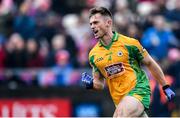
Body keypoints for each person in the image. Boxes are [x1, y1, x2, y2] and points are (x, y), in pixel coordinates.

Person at [81, 6, 175, 117]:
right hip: (119, 100)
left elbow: (149, 63)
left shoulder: (129, 43)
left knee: (120, 115)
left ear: (108, 23)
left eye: (96, 22)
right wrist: (91, 83)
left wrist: (165, 86)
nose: (92, 26)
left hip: (138, 91)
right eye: (91, 24)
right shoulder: (93, 54)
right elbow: (100, 84)